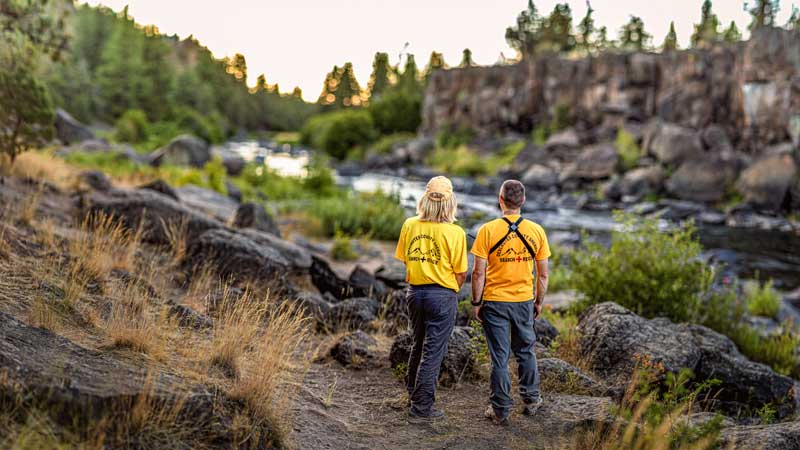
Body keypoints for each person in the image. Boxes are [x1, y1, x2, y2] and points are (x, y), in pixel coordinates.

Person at [470, 179, 550, 426]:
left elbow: (478, 273)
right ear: (523, 201)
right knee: (526, 351)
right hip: (524, 301)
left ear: (500, 199)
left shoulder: (487, 230)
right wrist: (538, 302)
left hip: (494, 302)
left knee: (500, 358)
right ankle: (532, 400)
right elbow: (544, 274)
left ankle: (500, 410)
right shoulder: (536, 231)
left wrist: (476, 302)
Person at [395, 176, 468, 421]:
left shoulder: (410, 224)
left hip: (415, 293)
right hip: (442, 295)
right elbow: (461, 273)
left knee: (418, 344)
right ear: (450, 203)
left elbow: (406, 259)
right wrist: (449, 292)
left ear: (425, 199)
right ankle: (421, 408)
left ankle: (413, 395)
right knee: (433, 352)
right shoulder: (455, 232)